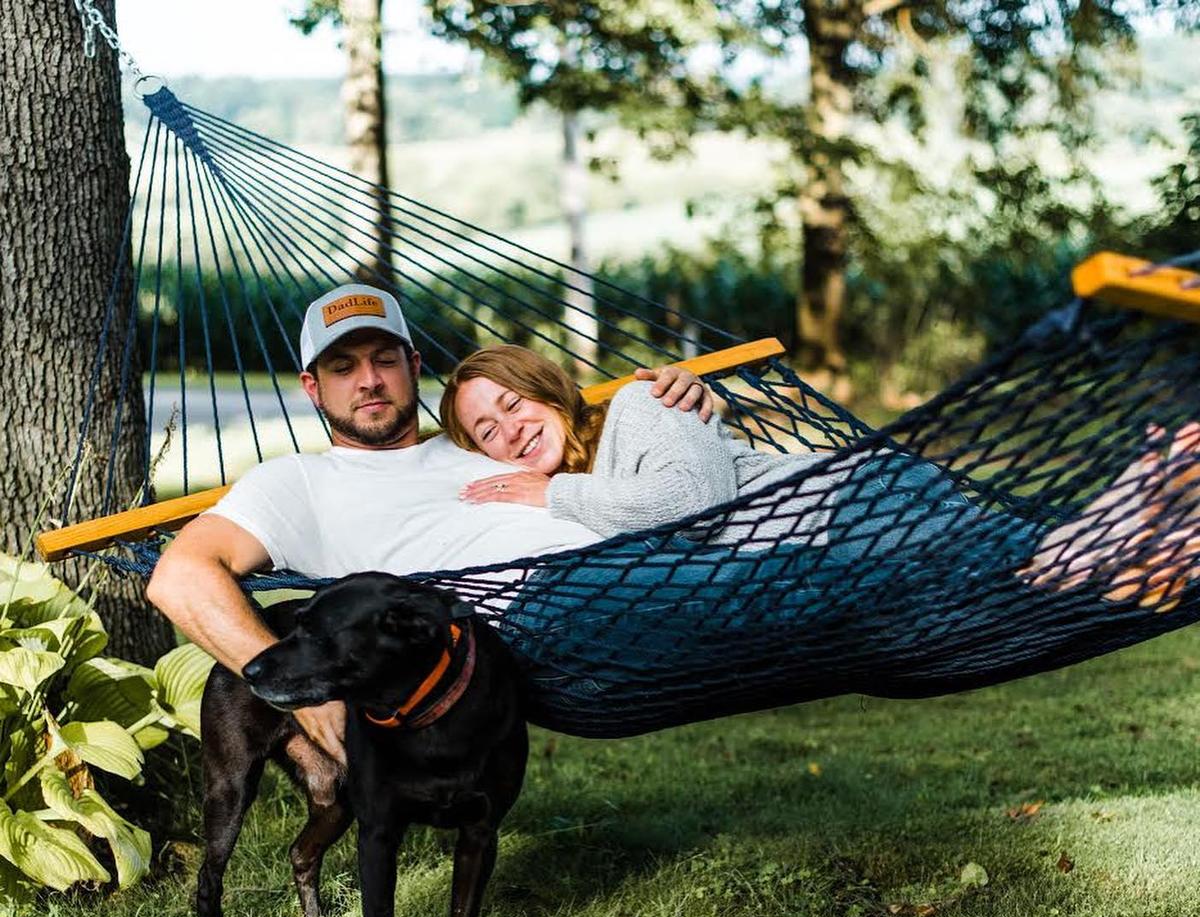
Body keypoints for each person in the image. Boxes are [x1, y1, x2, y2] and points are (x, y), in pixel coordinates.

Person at [434, 343, 1200, 708]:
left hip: (855, 505)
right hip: (840, 547)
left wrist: (549, 497)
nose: (509, 429)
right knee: (1029, 580)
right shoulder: (591, 488)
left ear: (552, 395)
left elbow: (692, 508)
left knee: (1027, 572)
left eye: (514, 404)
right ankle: (1148, 521)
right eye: (486, 431)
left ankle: (1141, 504)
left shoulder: (641, 404)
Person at [146, 284, 713, 765]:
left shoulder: (481, 440)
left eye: (384, 360)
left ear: (413, 367)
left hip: (651, 558)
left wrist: (682, 403)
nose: (369, 380)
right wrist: (305, 699)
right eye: (343, 368)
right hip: (553, 620)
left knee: (770, 549)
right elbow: (180, 578)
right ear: (313, 388)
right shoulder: (296, 483)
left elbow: (599, 454)